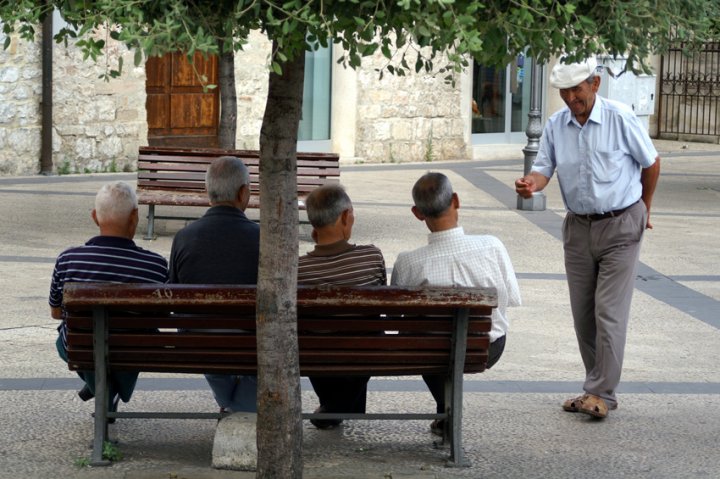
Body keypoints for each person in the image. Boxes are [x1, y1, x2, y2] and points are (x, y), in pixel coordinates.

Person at [515, 57, 660, 419]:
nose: (570, 97)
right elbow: (544, 167)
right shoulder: (555, 124)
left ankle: (600, 393)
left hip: (621, 224)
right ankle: (597, 388)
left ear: (595, 84)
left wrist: (645, 209)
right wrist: (532, 183)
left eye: (576, 89)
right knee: (583, 315)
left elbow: (651, 162)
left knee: (608, 312)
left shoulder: (620, 117)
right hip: (578, 228)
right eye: (564, 91)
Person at [391, 172, 521, 436]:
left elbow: (400, 322)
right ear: (456, 201)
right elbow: (509, 300)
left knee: (427, 343)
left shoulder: (407, 262)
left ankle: (446, 409)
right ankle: (447, 412)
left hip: (428, 353)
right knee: (448, 344)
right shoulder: (492, 246)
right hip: (485, 348)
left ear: (417, 213)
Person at [49, 181, 169, 418]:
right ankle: (110, 390)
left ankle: (100, 387)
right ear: (135, 217)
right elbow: (162, 317)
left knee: (68, 339)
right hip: (134, 350)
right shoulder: (156, 266)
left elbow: (56, 312)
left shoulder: (68, 260)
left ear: (95, 217)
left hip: (82, 347)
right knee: (136, 338)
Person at [169, 156, 260, 413]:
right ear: (244, 193)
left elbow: (174, 297)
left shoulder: (184, 237)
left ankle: (232, 404)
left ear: (209, 193)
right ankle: (240, 407)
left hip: (197, 343)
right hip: (249, 342)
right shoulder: (263, 239)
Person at [298, 184, 387, 429]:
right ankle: (337, 406)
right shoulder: (371, 257)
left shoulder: (299, 269)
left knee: (317, 337)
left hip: (316, 356)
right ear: (346, 216)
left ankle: (333, 405)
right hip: (364, 354)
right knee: (366, 330)